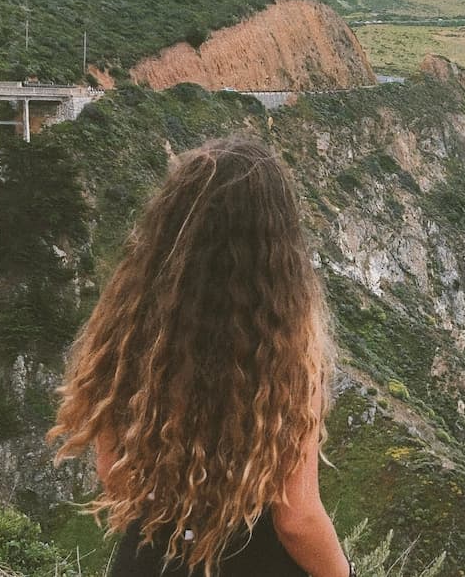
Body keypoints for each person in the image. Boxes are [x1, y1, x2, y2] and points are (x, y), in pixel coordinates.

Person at [48, 135, 353, 577]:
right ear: (279, 249)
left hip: (151, 559)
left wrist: (181, 501)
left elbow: (113, 473)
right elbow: (296, 518)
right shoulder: (286, 351)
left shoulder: (129, 329)